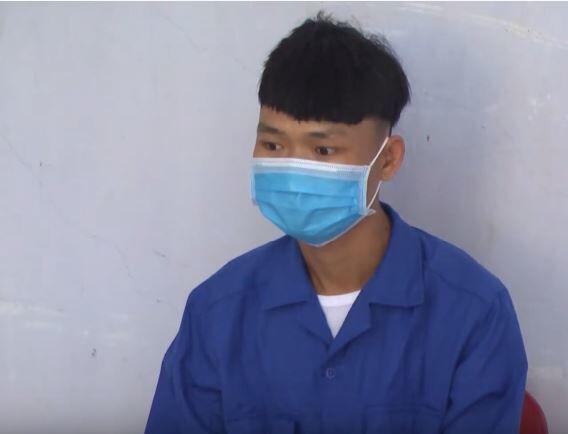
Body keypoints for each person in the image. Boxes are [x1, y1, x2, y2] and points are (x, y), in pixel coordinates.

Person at [145, 10, 528, 434]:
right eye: (273, 144)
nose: (293, 169)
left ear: (388, 159)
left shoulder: (473, 313)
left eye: (322, 151)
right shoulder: (217, 312)